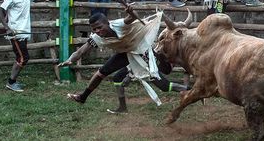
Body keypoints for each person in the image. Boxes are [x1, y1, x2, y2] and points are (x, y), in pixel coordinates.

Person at [58, 7, 187, 109]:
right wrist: (71, 59)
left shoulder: (119, 24)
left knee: (162, 85)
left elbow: (130, 18)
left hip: (141, 49)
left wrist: (131, 12)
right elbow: (81, 51)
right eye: (94, 29)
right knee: (101, 73)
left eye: (99, 27)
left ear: (107, 23)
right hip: (126, 52)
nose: (97, 31)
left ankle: (192, 90)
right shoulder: (96, 38)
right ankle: (83, 97)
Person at [0, 0, 62, 92]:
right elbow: (0, 11)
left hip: (24, 31)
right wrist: (7, 28)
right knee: (23, 58)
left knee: (21, 57)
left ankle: (12, 81)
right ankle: (11, 82)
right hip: (15, 32)